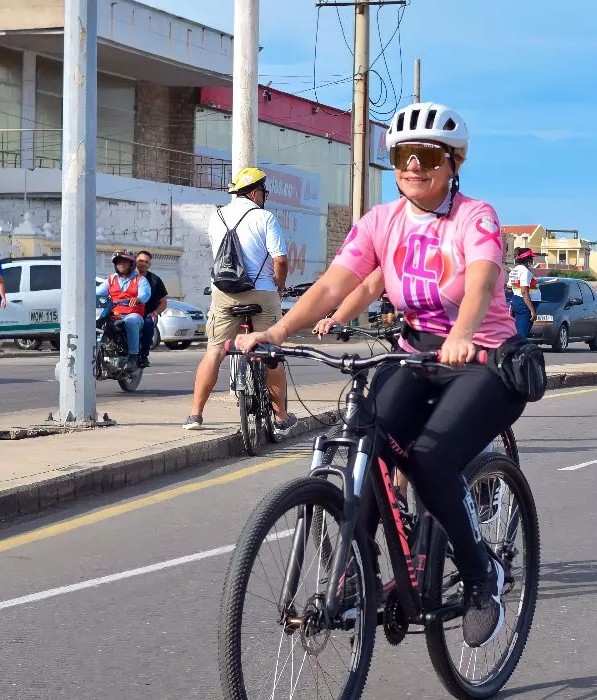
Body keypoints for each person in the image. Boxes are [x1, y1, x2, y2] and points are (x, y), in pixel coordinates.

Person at [234, 101, 520, 648]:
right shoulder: (381, 221)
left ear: (453, 162)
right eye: (403, 156)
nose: (414, 166)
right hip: (415, 355)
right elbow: (332, 286)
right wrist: (276, 334)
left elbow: (482, 280)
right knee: (366, 440)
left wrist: (462, 334)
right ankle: (355, 570)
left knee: (432, 461)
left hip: (483, 357)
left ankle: (483, 576)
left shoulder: (474, 216)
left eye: (428, 156)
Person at [186, 166, 294, 432]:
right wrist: (278, 288)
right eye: (263, 192)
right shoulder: (265, 217)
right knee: (271, 354)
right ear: (256, 192)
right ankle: (280, 418)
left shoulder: (217, 217)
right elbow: (280, 259)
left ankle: (195, 415)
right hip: (262, 292)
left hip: (224, 293)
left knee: (214, 351)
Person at [96, 249, 150, 371]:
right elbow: (97, 293)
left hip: (133, 314)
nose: (121, 264)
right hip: (114, 314)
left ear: (131, 265)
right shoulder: (111, 280)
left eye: (125, 262)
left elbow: (145, 295)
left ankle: (133, 357)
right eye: (119, 262)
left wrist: (138, 299)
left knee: (131, 321)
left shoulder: (140, 280)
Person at [135, 250, 168, 367]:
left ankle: (144, 355)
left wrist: (155, 312)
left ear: (150, 264)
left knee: (148, 325)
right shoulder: (127, 277)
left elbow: (163, 302)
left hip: (147, 315)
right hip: (127, 313)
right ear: (135, 260)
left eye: (146, 262)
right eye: (140, 261)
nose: (143, 264)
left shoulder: (155, 280)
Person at [506, 248, 540, 338]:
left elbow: (509, 288)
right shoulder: (525, 272)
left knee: (517, 331)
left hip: (517, 301)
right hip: (524, 304)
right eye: (531, 258)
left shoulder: (514, 270)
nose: (532, 260)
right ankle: (519, 351)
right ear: (528, 259)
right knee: (522, 334)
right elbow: (524, 291)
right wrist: (532, 310)